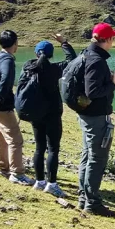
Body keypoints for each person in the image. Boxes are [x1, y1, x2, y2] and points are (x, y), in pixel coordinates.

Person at [22, 35, 77, 197]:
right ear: (51, 55)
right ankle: (52, 184)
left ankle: (39, 181)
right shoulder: (55, 69)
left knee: (39, 148)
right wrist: (64, 42)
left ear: (36, 53)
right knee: (53, 149)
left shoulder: (28, 67)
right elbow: (72, 59)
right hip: (52, 114)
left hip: (36, 113)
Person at [77, 23, 115, 216]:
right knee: (97, 158)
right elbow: (92, 91)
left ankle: (83, 196)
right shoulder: (96, 60)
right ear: (107, 39)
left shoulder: (87, 54)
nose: (114, 41)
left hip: (87, 114)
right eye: (113, 38)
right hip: (96, 117)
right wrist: (112, 85)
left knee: (88, 154)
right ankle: (92, 203)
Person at [0, 30, 33, 185]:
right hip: (1, 105)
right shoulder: (8, 60)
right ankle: (17, 173)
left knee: (0, 136)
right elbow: (5, 79)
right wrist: (1, 96)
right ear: (15, 43)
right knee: (15, 140)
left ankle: (3, 167)